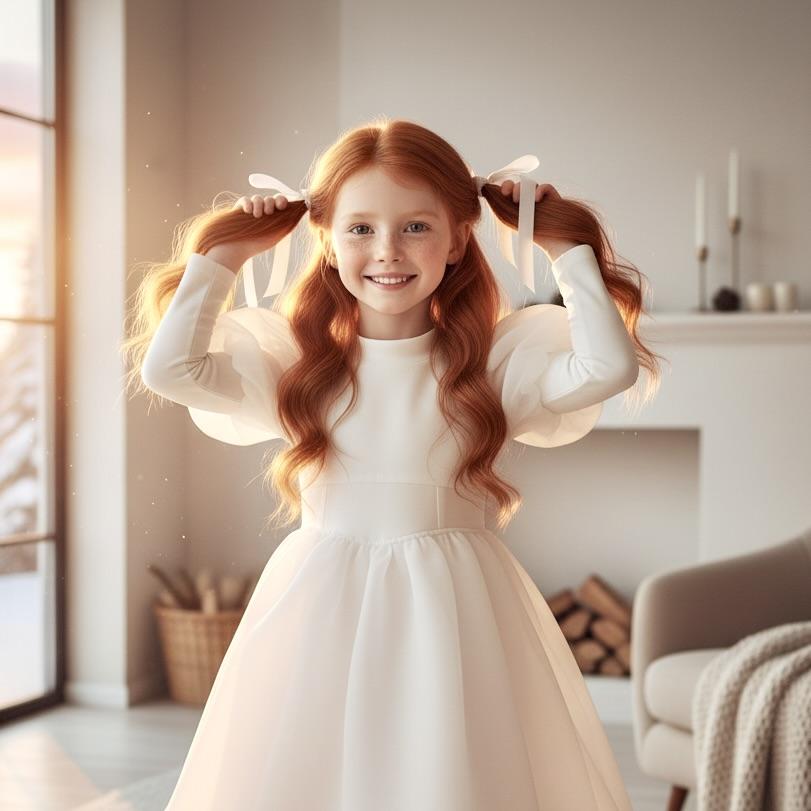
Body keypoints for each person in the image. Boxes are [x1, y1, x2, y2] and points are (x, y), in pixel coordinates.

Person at [123, 117, 662, 810]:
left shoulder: (490, 364)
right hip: (321, 601)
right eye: (359, 229)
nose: (387, 250)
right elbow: (172, 369)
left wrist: (565, 250)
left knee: (447, 771)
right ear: (324, 239)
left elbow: (606, 366)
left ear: (458, 237)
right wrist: (223, 256)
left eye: (415, 226)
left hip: (457, 609)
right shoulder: (298, 363)